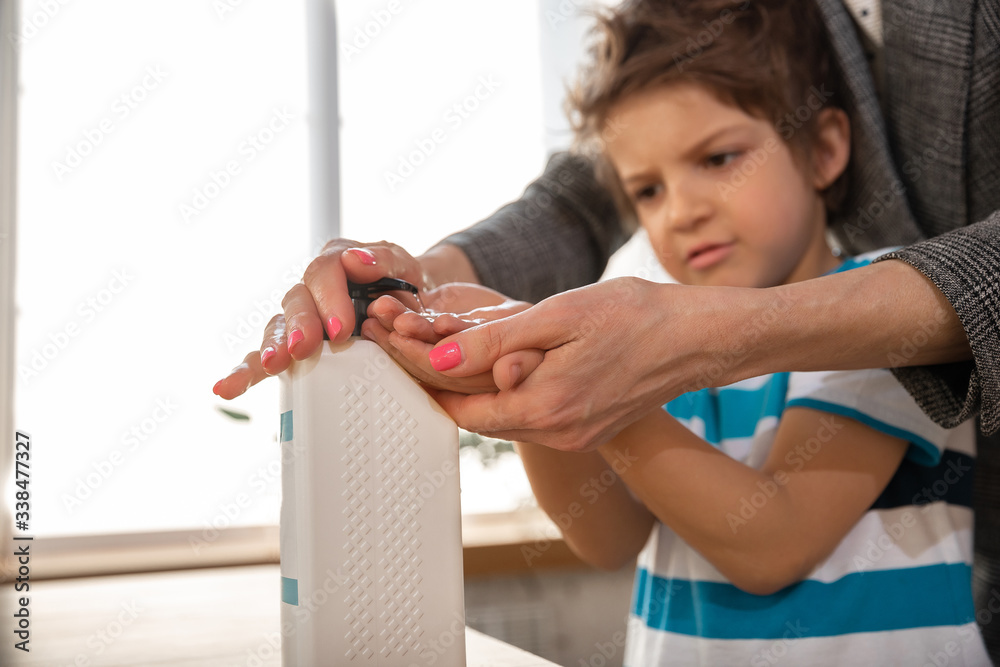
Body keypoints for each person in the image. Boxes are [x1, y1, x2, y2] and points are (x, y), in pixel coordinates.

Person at [214, 0, 1000, 658]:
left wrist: (606, 399)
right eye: (647, 189)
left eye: (720, 158)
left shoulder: (871, 317)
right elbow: (604, 535)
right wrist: (518, 375)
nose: (680, 209)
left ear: (825, 147)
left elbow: (773, 541)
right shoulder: (660, 324)